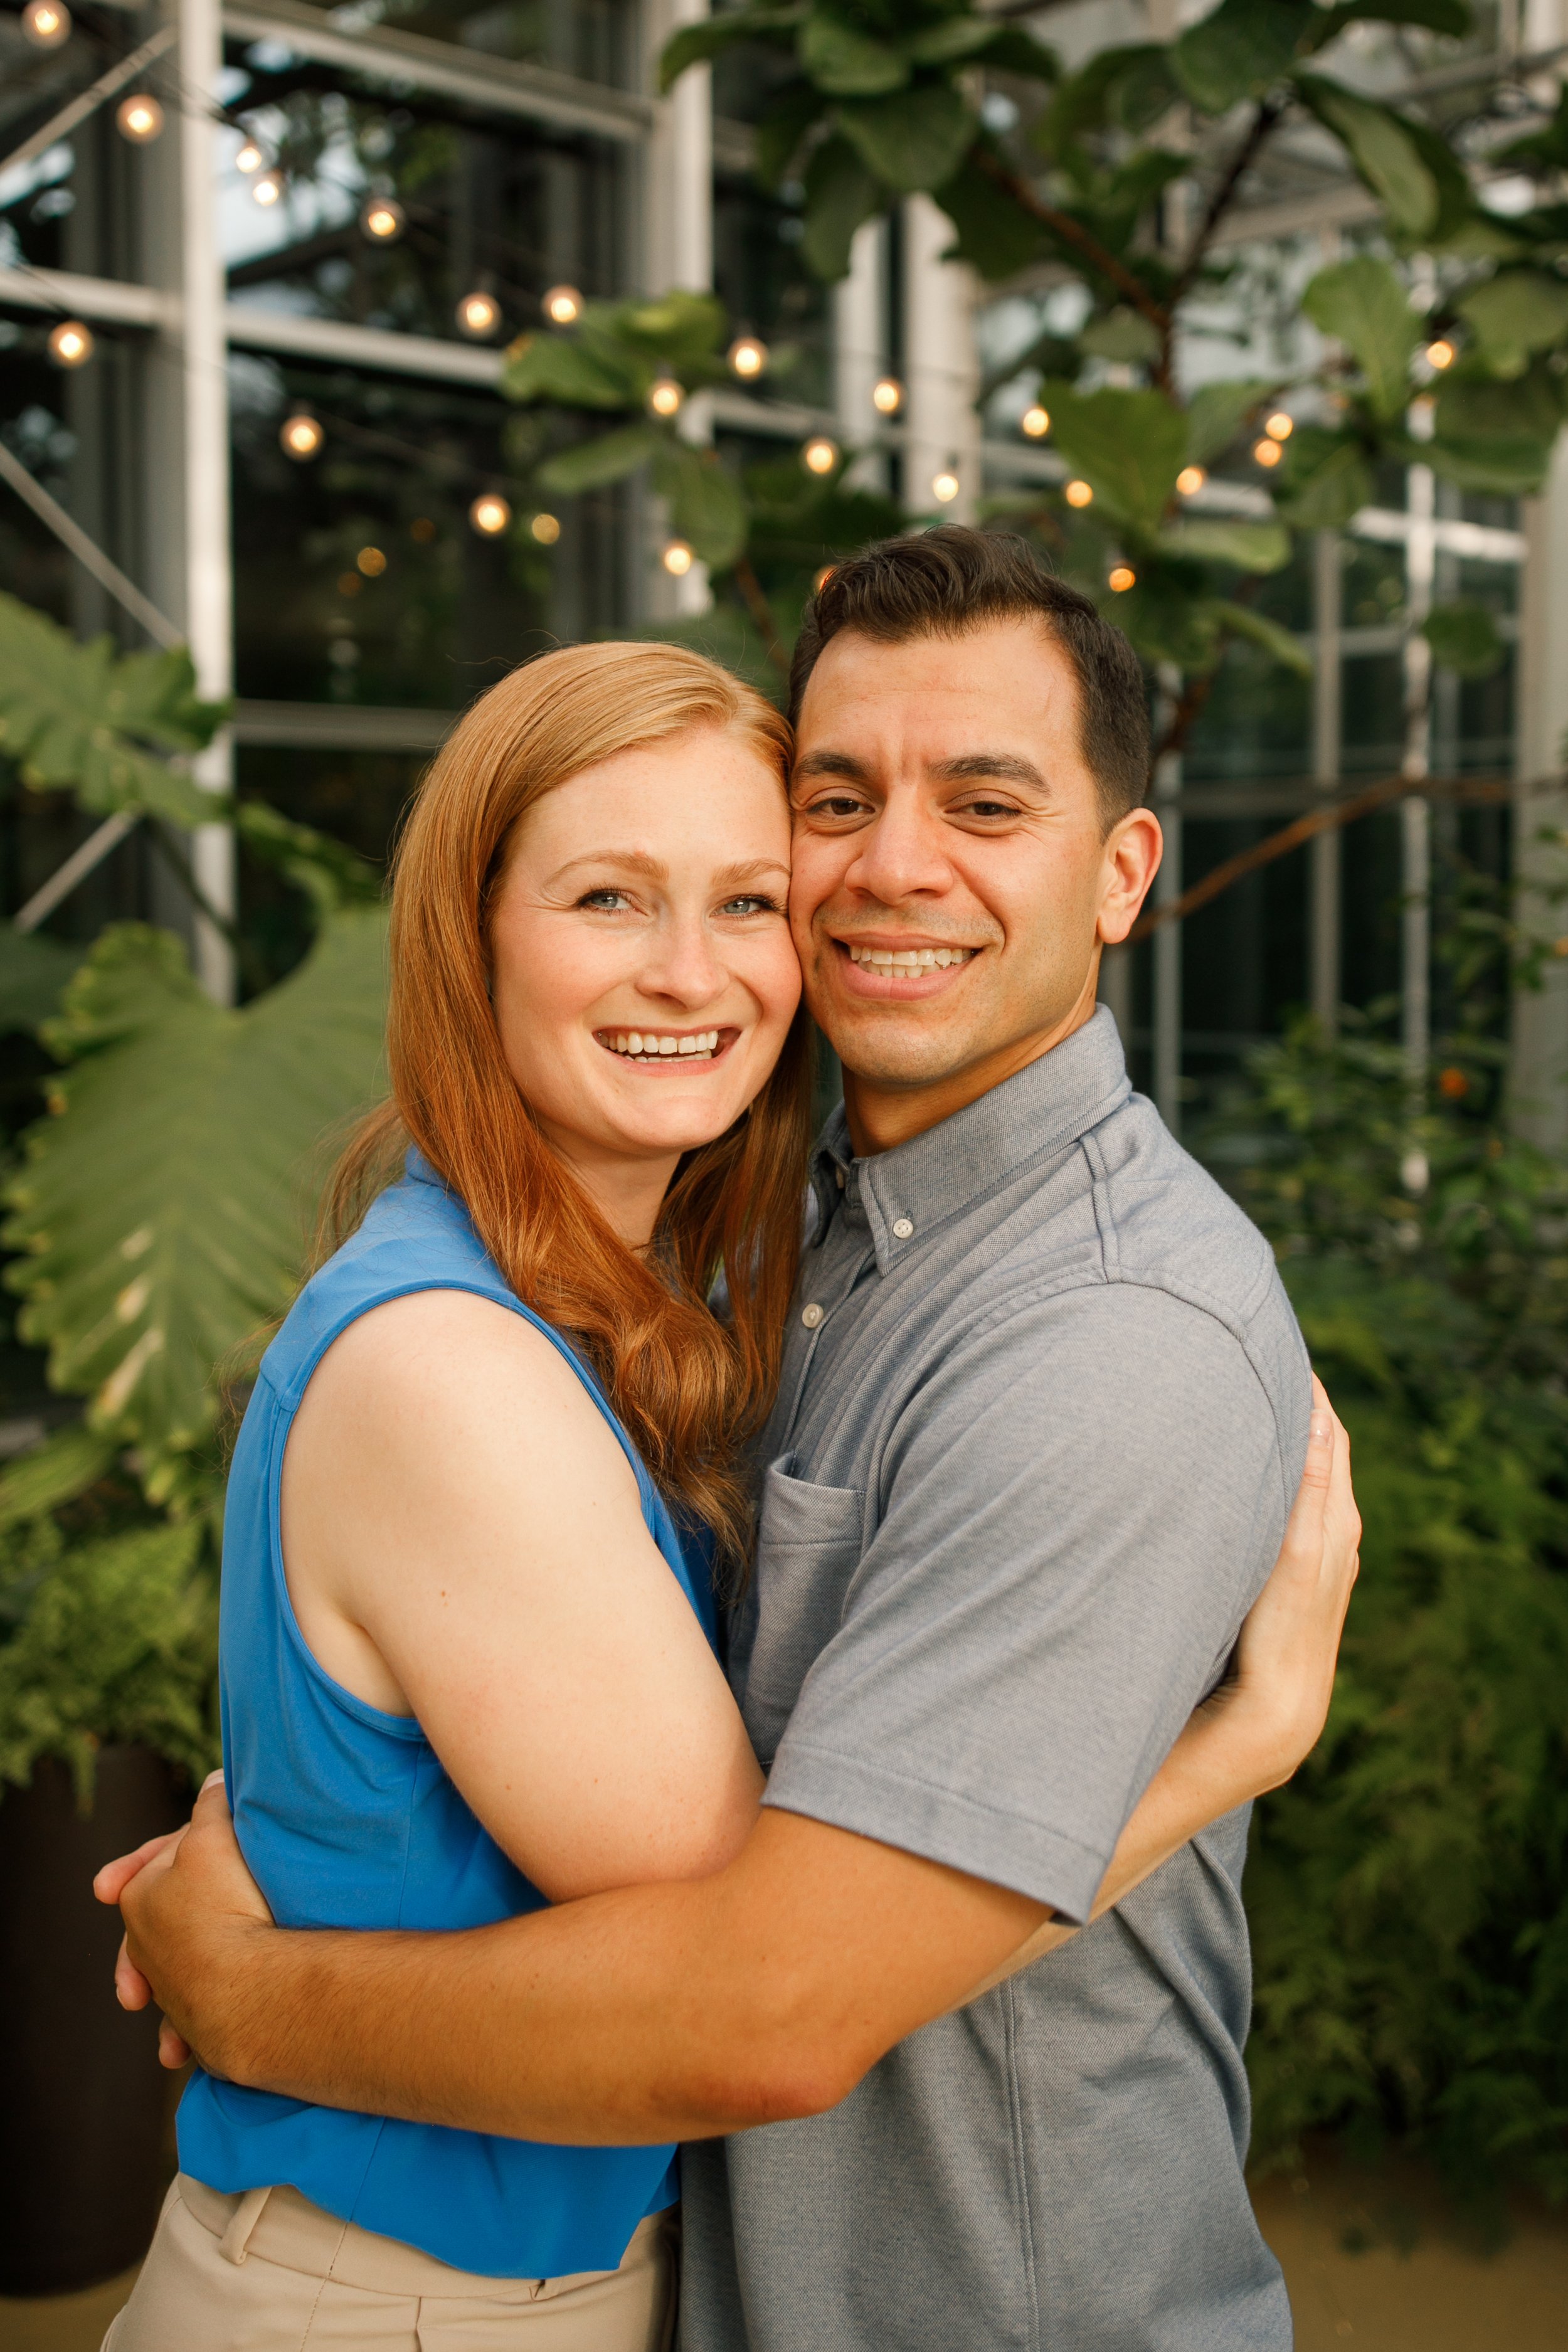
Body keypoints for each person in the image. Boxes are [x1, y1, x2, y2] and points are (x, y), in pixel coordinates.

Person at [103, 536, 1360, 2352]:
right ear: (477, 934)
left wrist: (261, 1993)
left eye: (985, 801)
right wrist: (1232, 1747)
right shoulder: (736, 1265)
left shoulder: (1101, 1338)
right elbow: (743, 1956)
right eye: (836, 801)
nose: (891, 865)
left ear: (1119, 872)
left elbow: (765, 1993)